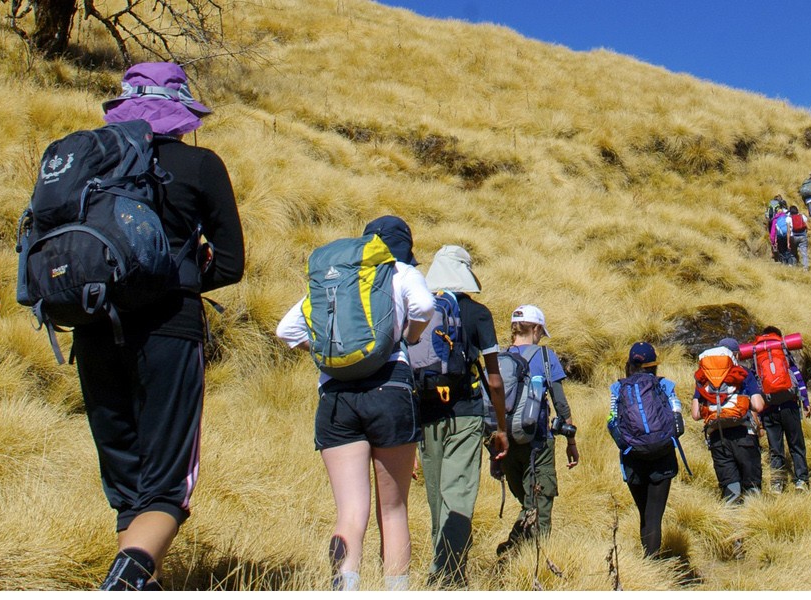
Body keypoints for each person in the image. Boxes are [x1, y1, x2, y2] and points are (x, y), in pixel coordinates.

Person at [69, 63, 246, 591]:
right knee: (167, 489)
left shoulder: (88, 165)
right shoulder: (200, 165)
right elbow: (232, 263)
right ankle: (126, 578)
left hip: (94, 325)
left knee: (128, 485)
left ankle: (140, 580)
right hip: (170, 328)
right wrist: (180, 276)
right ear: (181, 112)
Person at [276, 216, 428, 591]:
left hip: (336, 395)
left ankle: (343, 587)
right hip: (390, 388)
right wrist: (406, 336)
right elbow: (424, 306)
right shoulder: (401, 271)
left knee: (349, 513)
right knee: (393, 512)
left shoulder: (340, 277)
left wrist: (334, 352)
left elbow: (286, 330)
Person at [414, 245, 510, 588]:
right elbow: (495, 379)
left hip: (426, 415)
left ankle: (439, 571)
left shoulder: (421, 310)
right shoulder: (479, 314)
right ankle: (449, 577)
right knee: (459, 496)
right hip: (466, 413)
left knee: (436, 497)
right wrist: (500, 426)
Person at [495, 305, 578, 554]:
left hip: (504, 443)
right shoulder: (545, 357)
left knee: (526, 501)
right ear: (536, 329)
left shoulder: (499, 357)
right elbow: (560, 403)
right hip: (537, 442)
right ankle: (529, 557)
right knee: (540, 503)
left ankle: (517, 550)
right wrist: (571, 441)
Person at [607, 342, 683, 557]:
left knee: (644, 513)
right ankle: (653, 564)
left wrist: (626, 444)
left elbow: (612, 419)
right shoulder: (664, 384)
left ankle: (647, 562)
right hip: (663, 454)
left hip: (633, 458)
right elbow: (677, 413)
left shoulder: (618, 388)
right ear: (653, 365)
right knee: (654, 516)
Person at [691, 338, 765, 504]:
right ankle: (755, 524)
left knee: (730, 486)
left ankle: (732, 524)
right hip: (744, 434)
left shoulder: (704, 378)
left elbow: (695, 414)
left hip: (718, 437)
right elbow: (758, 406)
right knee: (752, 486)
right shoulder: (743, 373)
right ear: (736, 354)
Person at [748, 328, 811, 493]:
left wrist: (758, 416)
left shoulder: (757, 355)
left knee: (775, 449)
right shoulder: (781, 351)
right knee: (796, 445)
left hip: (769, 409)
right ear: (778, 336)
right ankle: (801, 480)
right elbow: (796, 375)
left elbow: (755, 385)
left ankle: (777, 483)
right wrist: (805, 401)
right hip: (789, 405)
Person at [788, 205, 810, 270]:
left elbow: (788, 231)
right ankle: (805, 268)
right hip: (803, 236)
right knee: (804, 253)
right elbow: (808, 227)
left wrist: (788, 242)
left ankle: (794, 266)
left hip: (793, 237)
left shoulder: (789, 218)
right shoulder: (802, 216)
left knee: (793, 252)